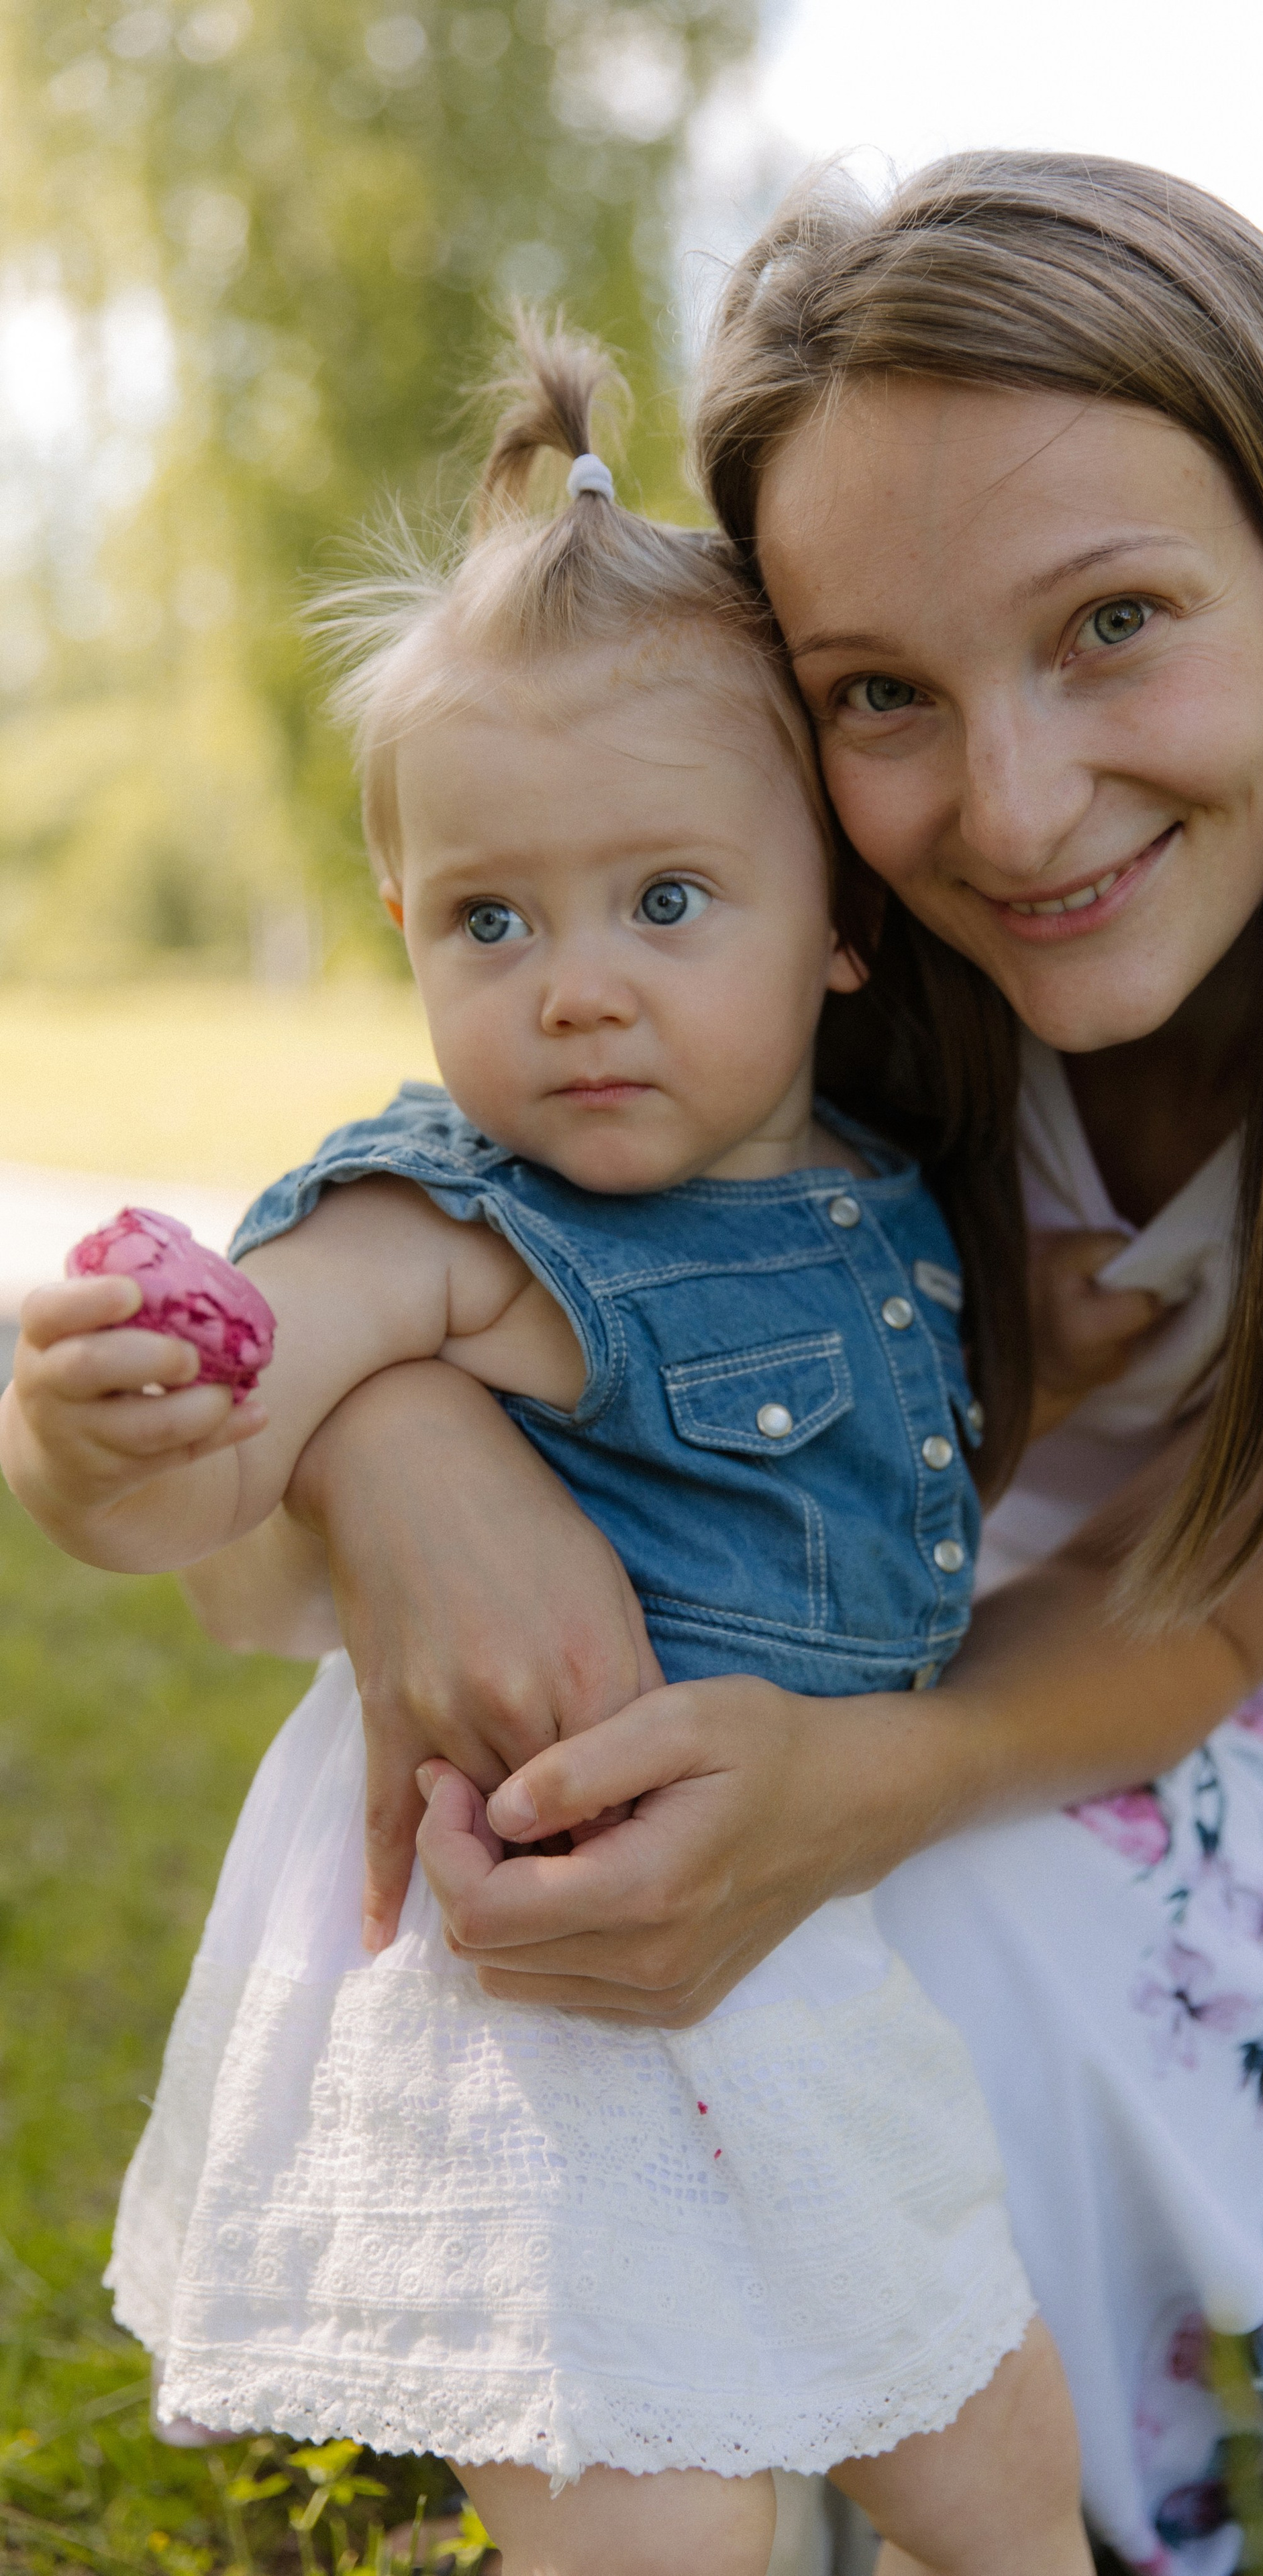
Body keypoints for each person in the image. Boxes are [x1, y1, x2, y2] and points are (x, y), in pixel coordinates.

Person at [180, 158, 1263, 2575]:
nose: (1011, 808)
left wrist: (848, 1792)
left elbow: (1216, 1602)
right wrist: (401, 1443)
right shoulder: (820, 923)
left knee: (924, 1944)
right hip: (856, 1592)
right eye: (881, 693)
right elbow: (448, 1214)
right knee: (624, 1967)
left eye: (1115, 623)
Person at [0, 324, 1098, 2576]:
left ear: (840, 923)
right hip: (538, 2010)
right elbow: (221, 1450)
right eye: (491, 919)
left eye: (665, 901)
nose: (575, 985)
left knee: (988, 2439)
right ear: (403, 924)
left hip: (786, 1964)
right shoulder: (447, 1225)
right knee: (659, 2524)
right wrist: (101, 1439)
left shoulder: (879, 1196)